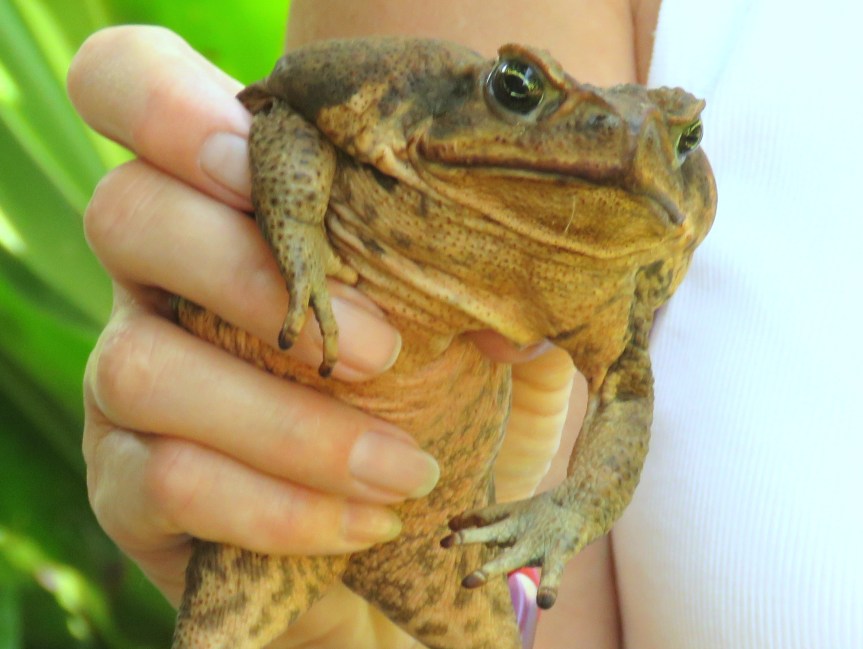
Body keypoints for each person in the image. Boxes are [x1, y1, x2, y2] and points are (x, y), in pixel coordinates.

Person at [68, 0, 863, 647]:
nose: (621, 144)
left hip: (439, 539)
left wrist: (566, 514)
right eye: (519, 89)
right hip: (311, 469)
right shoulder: (406, 130)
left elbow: (623, 393)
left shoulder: (608, 297)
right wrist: (293, 226)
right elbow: (289, 115)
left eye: (680, 139)